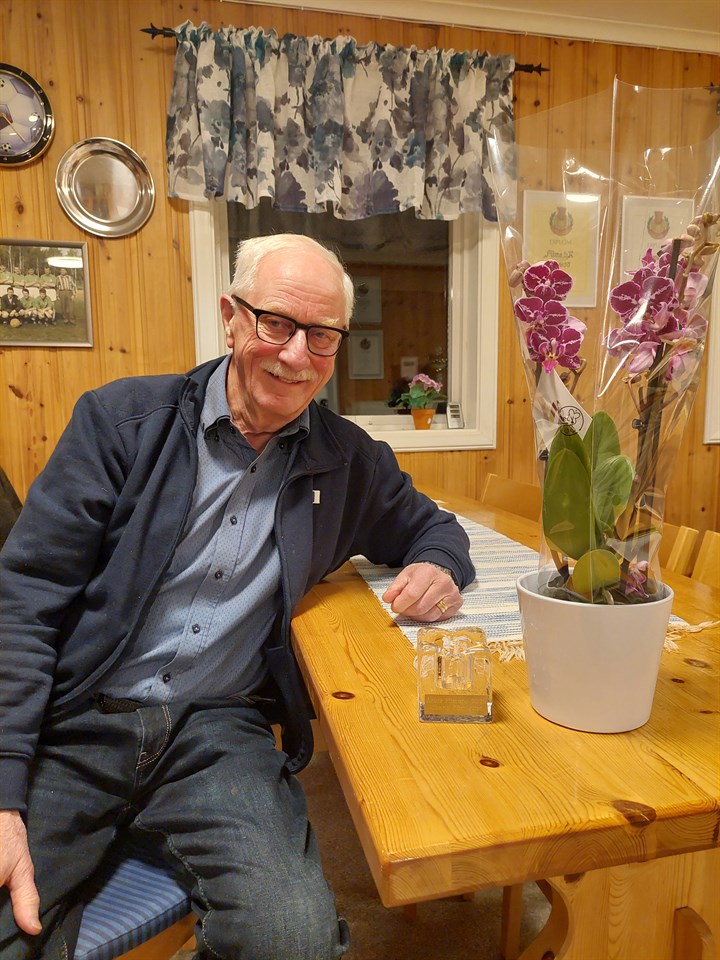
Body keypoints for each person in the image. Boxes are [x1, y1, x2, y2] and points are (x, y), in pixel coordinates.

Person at [0, 234, 475, 960]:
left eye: (322, 336)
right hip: (79, 716)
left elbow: (435, 529)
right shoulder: (120, 423)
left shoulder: (348, 459)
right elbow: (23, 601)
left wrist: (439, 565)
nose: (296, 355)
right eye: (276, 323)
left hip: (214, 729)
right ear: (230, 317)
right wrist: (5, 785)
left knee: (291, 939)